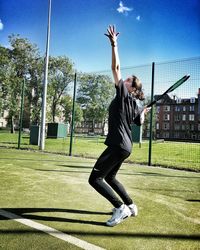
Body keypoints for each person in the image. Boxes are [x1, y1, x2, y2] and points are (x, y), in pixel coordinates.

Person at [88, 25, 150, 227]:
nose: (124, 80)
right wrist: (143, 113)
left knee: (95, 179)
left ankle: (119, 207)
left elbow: (115, 68)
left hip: (117, 145)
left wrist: (114, 44)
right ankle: (131, 205)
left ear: (131, 88)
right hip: (126, 147)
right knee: (111, 177)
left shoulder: (124, 96)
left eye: (128, 80)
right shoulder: (136, 105)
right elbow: (139, 123)